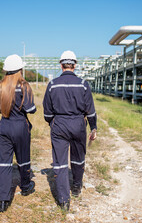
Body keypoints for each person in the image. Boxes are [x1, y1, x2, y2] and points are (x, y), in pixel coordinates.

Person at [43, 50, 97, 211]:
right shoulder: (83, 84)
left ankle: (63, 200)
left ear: (61, 65)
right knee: (78, 157)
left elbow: (47, 112)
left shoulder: (52, 84)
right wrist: (93, 127)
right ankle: (76, 187)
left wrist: (52, 122)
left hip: (59, 124)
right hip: (78, 124)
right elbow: (91, 110)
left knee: (59, 163)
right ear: (75, 65)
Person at [0, 54, 36, 212]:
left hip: (4, 125)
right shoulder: (24, 85)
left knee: (3, 163)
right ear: (20, 69)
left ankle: (3, 200)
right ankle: (25, 187)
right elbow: (31, 109)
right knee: (23, 159)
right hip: (20, 126)